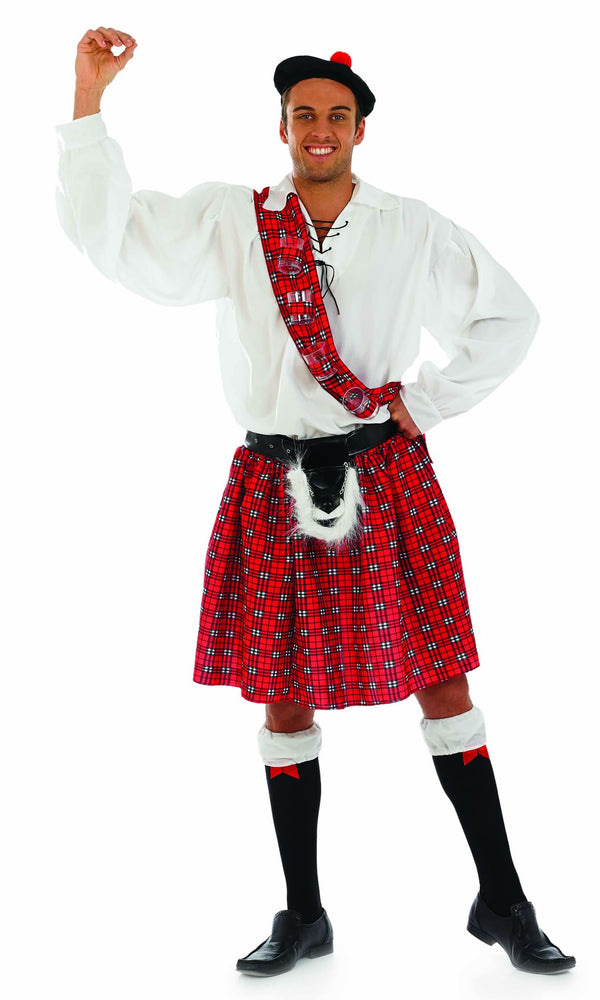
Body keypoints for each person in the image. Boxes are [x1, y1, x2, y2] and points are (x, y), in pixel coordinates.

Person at [56, 26, 575, 978]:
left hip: (385, 477)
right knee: (284, 697)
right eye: (305, 116)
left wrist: (423, 407)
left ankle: (502, 900)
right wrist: (90, 102)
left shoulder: (412, 225)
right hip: (270, 477)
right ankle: (303, 914)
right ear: (283, 125)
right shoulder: (233, 218)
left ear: (361, 130)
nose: (320, 129)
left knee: (443, 680)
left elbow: (513, 317)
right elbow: (115, 240)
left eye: (338, 116)